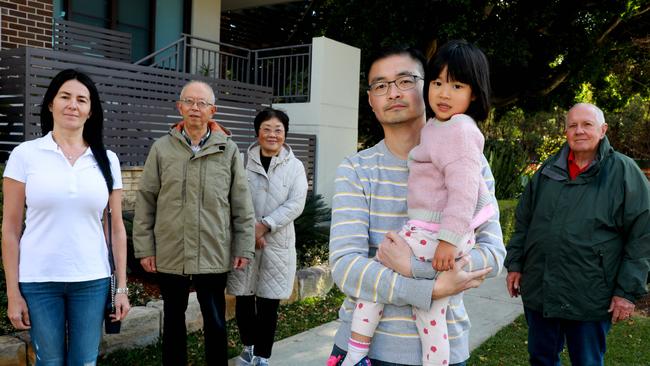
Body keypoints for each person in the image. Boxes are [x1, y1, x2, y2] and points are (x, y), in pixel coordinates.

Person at [328, 44, 505, 366]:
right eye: (380, 85)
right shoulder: (356, 170)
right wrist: (430, 288)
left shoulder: (470, 161)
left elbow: (493, 253)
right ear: (371, 100)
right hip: (366, 351)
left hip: (445, 351)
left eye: (405, 80)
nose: (393, 92)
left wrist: (416, 269)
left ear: (424, 86)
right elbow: (346, 267)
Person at [504, 102, 650, 366]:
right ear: (566, 132)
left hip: (590, 295)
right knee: (541, 359)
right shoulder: (548, 170)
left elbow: (642, 236)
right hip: (542, 290)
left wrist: (627, 292)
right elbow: (524, 220)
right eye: (573, 125)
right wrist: (516, 263)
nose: (579, 131)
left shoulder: (624, 172)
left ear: (603, 130)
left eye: (587, 124)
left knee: (587, 362)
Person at [2, 68, 130, 364]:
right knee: (49, 362)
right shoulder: (25, 155)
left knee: (84, 362)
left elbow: (116, 229)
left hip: (92, 280)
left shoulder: (107, 159)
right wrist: (13, 293)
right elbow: (10, 229)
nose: (73, 105)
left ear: (90, 111)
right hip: (38, 280)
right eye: (65, 97)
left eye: (82, 100)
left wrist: (121, 288)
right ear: (51, 104)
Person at [132, 80, 256, 366]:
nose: (195, 108)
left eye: (202, 103)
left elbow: (241, 203)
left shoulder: (229, 150)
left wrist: (243, 246)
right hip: (170, 249)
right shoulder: (162, 148)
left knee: (214, 319)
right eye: (189, 101)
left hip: (213, 249)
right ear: (179, 107)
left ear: (212, 110)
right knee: (173, 318)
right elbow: (146, 200)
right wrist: (144, 248)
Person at [227, 108, 308, 366]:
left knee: (269, 304)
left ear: (285, 134)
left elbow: (296, 204)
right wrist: (251, 229)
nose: (272, 135)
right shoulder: (241, 161)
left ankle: (262, 355)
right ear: (257, 132)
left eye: (278, 130)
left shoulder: (295, 166)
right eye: (266, 129)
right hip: (245, 240)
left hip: (277, 242)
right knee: (243, 298)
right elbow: (232, 197)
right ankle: (248, 347)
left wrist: (266, 225)